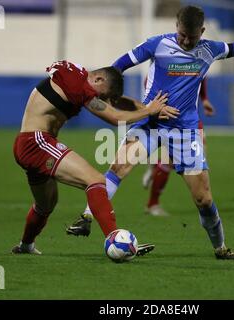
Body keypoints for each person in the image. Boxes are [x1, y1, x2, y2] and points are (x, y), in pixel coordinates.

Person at [67, 5, 234, 260]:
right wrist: (106, 92)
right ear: (176, 27)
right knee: (120, 167)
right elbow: (120, 64)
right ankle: (86, 217)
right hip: (150, 122)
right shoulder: (157, 44)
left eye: (191, 37)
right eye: (182, 34)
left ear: (202, 31)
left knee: (203, 199)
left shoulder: (210, 50)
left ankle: (221, 249)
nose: (185, 41)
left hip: (184, 130)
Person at [11, 60, 178, 254]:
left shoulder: (79, 78)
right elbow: (116, 118)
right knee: (96, 180)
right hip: (37, 142)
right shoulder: (79, 85)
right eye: (103, 96)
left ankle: (25, 246)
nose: (102, 101)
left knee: (45, 205)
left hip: (28, 143)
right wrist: (149, 110)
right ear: (98, 79)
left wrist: (151, 108)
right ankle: (115, 238)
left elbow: (119, 102)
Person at [141, 77, 215, 217]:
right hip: (170, 120)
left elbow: (201, 77)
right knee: (175, 162)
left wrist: (204, 99)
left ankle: (155, 168)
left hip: (190, 119)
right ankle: (152, 204)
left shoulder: (196, 59)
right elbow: (150, 84)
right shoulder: (165, 64)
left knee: (196, 160)